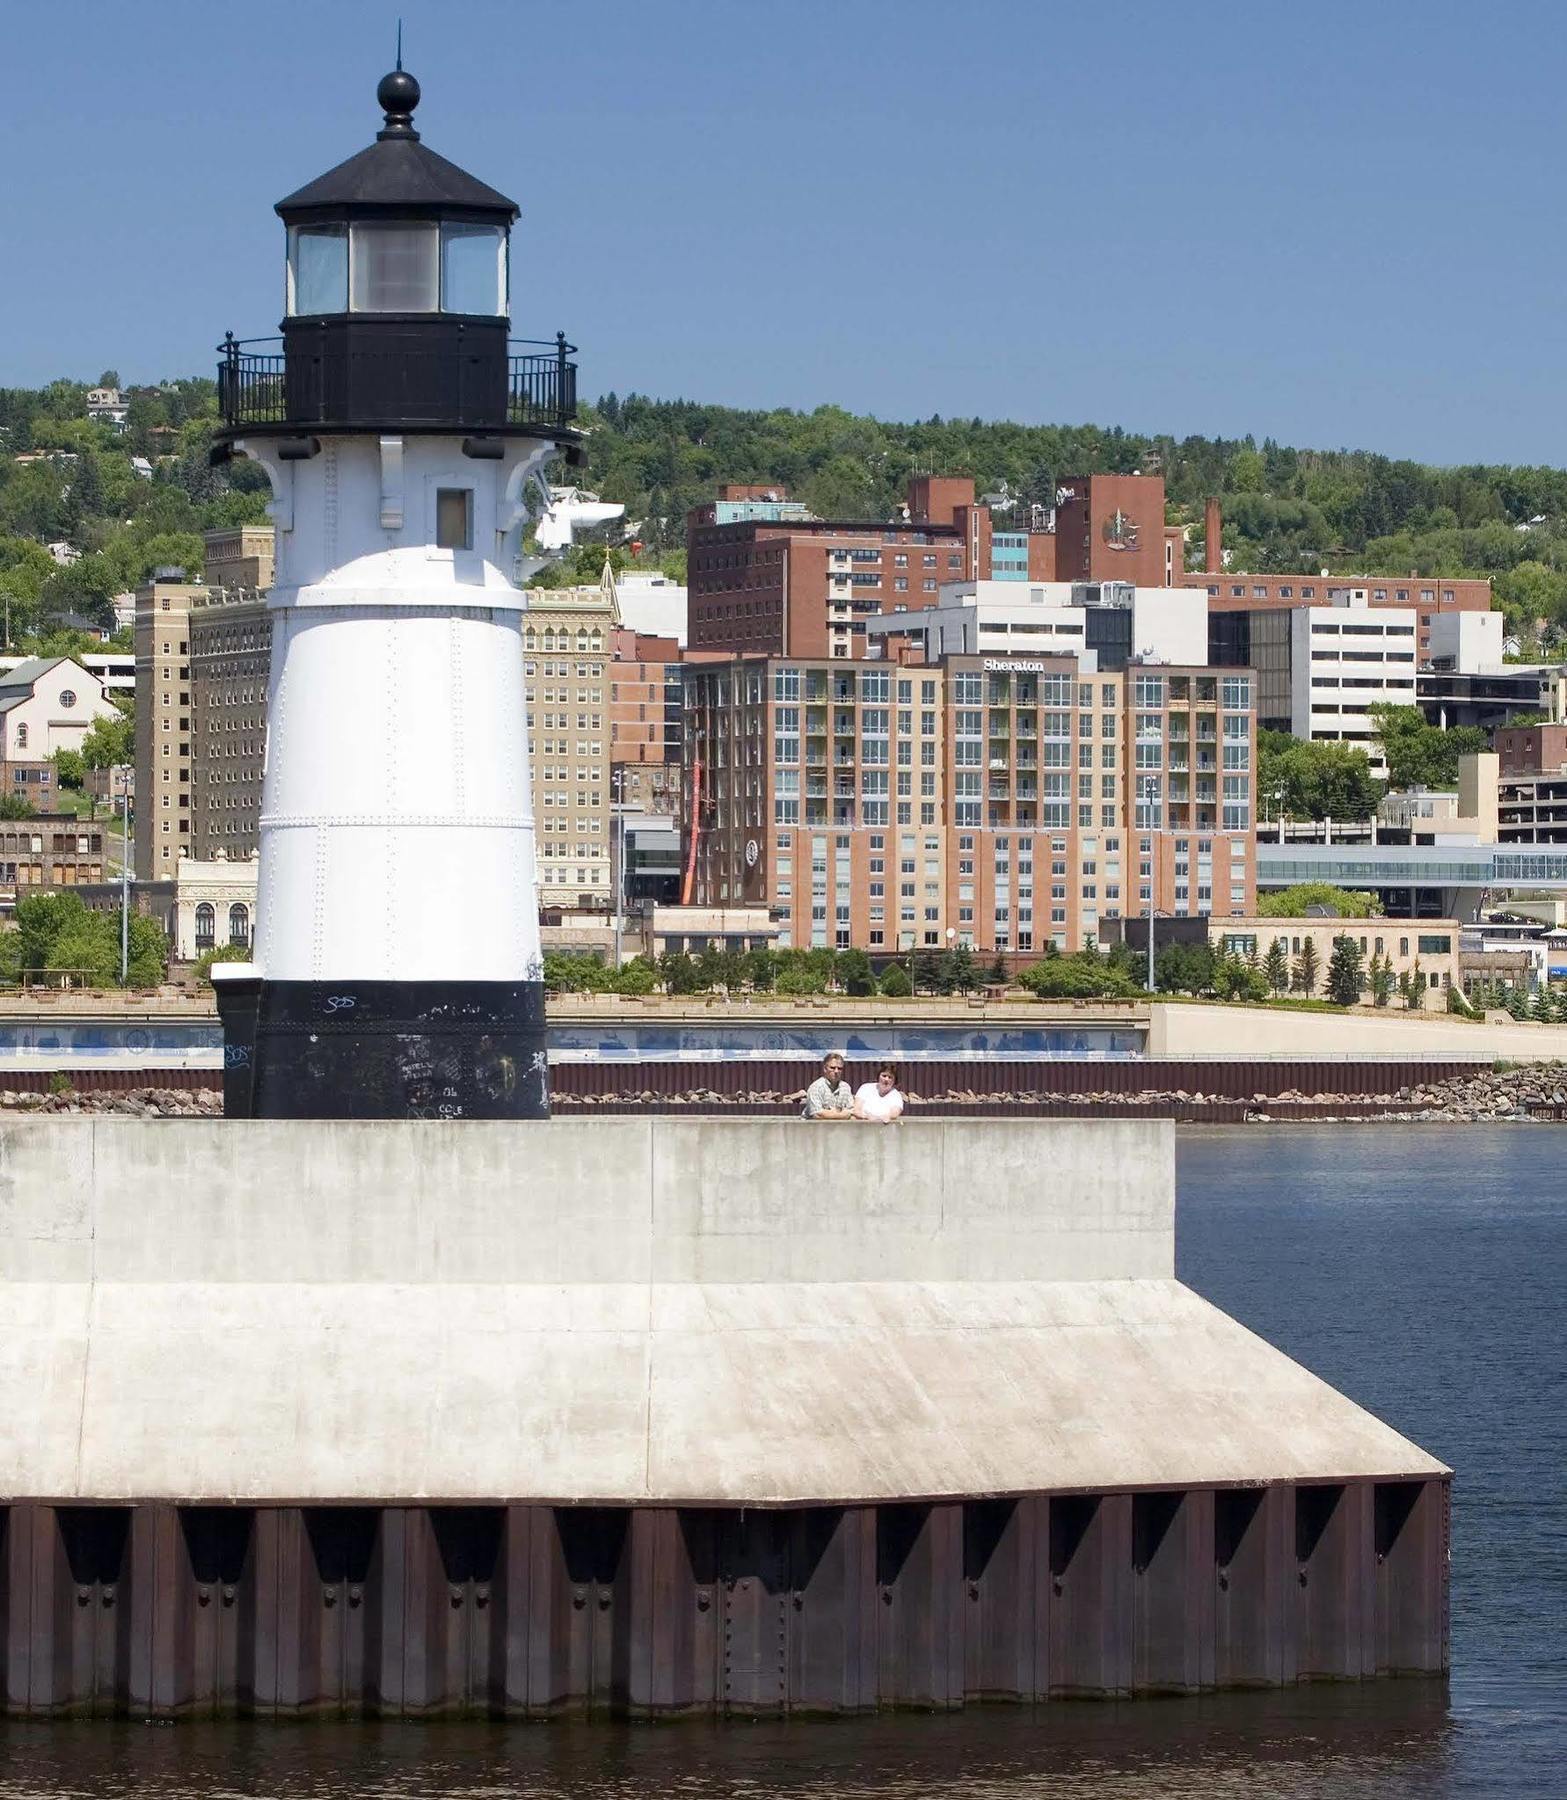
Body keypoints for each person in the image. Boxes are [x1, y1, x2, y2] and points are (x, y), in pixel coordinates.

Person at [802, 1050, 854, 1120]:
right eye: (832, 1068)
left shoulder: (846, 1087)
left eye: (839, 1068)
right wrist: (842, 1115)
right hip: (813, 1128)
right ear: (825, 1069)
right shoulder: (816, 1087)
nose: (836, 1071)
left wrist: (829, 1113)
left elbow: (852, 1111)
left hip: (838, 1128)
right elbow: (817, 1115)